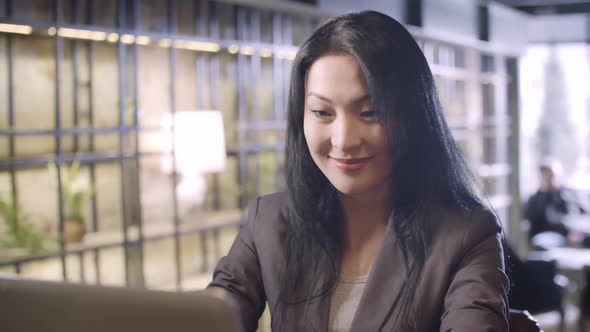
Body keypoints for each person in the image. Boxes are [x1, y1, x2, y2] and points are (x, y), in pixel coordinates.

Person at [209, 11, 509, 331]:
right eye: (322, 112)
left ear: (412, 115)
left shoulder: (466, 235)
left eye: (370, 112)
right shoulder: (268, 221)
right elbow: (213, 315)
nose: (344, 140)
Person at [525, 158, 585, 247]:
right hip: (550, 234)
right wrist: (567, 233)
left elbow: (580, 213)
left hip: (575, 232)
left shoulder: (567, 194)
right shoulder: (537, 199)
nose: (551, 179)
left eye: (553, 175)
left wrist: (576, 231)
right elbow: (548, 221)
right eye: (547, 176)